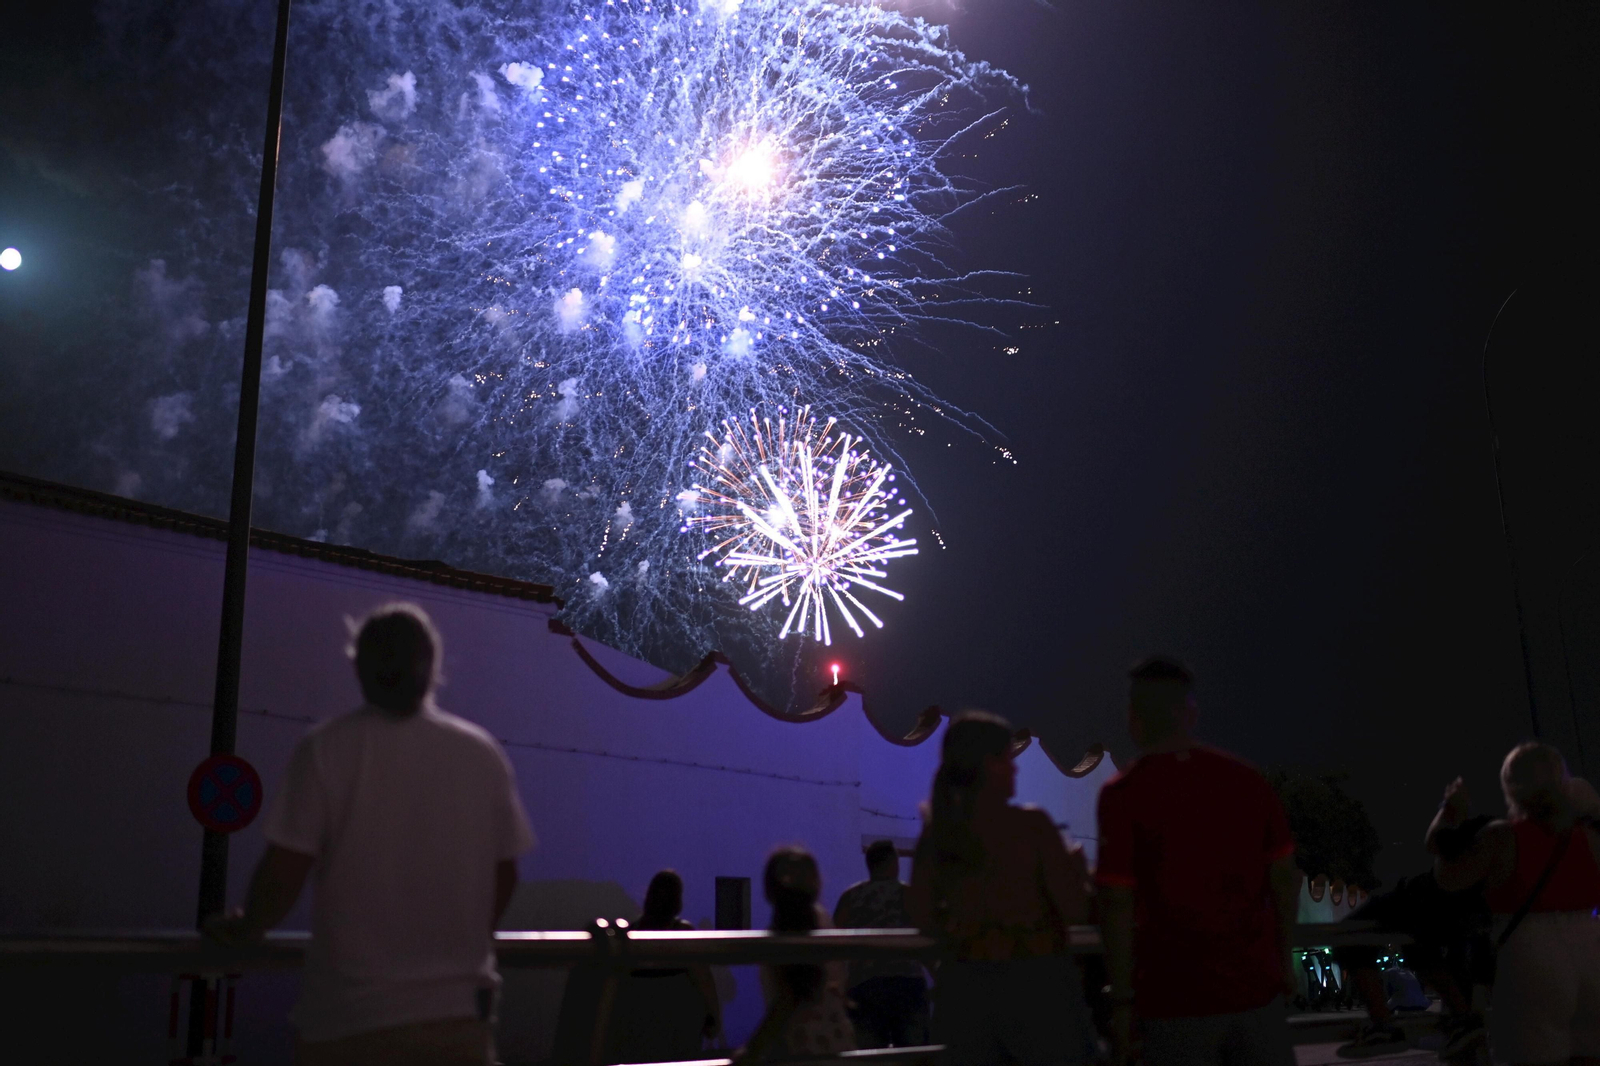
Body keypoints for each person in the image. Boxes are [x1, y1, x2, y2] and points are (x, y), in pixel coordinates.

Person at [206, 603, 535, 1066]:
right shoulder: (481, 754)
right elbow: (505, 875)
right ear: (434, 667)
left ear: (359, 665)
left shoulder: (326, 749)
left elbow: (285, 870)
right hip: (458, 1018)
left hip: (350, 1022)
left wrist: (247, 927)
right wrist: (459, 940)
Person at [1096, 657, 1300, 1066]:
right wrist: (1285, 959)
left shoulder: (1124, 793)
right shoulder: (1247, 781)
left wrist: (1121, 999)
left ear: (1133, 718)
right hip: (1255, 990)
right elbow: (1283, 876)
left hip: (1174, 997)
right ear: (1190, 712)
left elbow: (1117, 901)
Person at [907, 712, 1098, 1066]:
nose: (1015, 769)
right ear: (986, 764)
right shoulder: (1031, 827)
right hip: (1037, 992)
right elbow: (1076, 909)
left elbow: (921, 914)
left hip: (964, 994)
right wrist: (1077, 872)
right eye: (1007, 759)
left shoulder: (937, 835)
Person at [1433, 742, 1600, 1066]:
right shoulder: (1590, 839)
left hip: (1531, 954)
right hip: (1591, 950)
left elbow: (1448, 879)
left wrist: (1448, 817)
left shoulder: (1502, 837)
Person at [1331, 814, 1492, 1060]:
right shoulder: (1499, 839)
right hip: (1448, 901)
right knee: (1420, 950)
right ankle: (1463, 1019)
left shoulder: (1479, 835)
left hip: (1427, 893)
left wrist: (1447, 809)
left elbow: (1434, 842)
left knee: (1352, 936)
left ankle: (1384, 1024)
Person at [740, 847, 856, 1061]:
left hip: (801, 1047)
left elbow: (788, 999)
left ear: (769, 890)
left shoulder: (784, 933)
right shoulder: (821, 920)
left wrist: (750, 1052)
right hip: (836, 1043)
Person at [609, 870, 722, 1063]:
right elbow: (704, 980)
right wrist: (714, 1018)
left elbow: (617, 983)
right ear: (677, 900)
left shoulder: (632, 934)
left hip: (639, 1029)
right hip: (679, 1029)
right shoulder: (683, 934)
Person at [833, 839, 929, 1048]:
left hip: (864, 985)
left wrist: (837, 987)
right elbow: (923, 938)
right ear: (894, 862)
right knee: (915, 1055)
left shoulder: (850, 897)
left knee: (870, 1057)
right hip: (906, 984)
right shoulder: (907, 893)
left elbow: (833, 946)